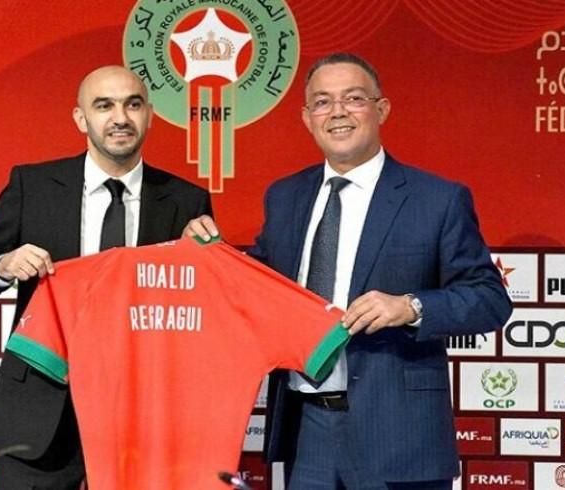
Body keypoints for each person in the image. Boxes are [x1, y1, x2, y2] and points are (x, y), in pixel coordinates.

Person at [184, 53, 512, 489]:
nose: (337, 112)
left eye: (354, 98)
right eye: (322, 102)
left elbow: (490, 298)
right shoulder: (285, 196)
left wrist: (410, 306)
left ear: (381, 109)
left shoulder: (437, 199)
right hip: (306, 432)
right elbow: (257, 286)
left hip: (399, 436)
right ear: (307, 118)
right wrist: (206, 256)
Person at [0, 65, 212, 490]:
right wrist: (3, 266)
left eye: (133, 105)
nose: (120, 118)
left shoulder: (186, 200)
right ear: (81, 118)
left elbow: (200, 315)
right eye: (104, 105)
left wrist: (201, 262)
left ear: (150, 115)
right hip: (40, 417)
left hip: (143, 419)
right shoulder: (33, 186)